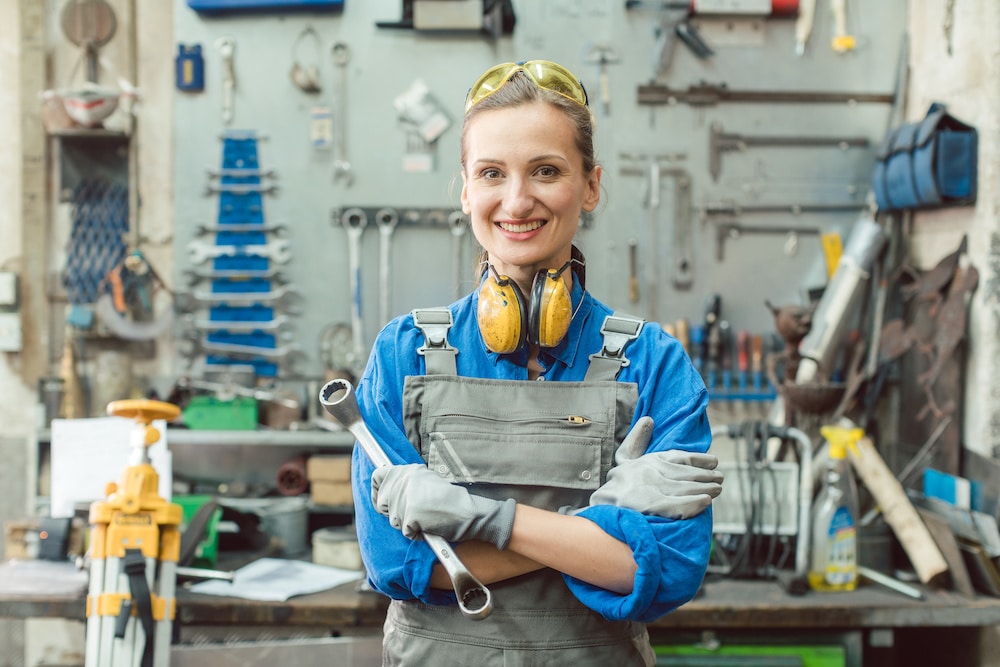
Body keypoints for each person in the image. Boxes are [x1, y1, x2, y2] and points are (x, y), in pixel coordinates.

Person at [351, 60, 723, 666]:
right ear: (466, 189)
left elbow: (669, 571)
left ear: (592, 185)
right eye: (492, 173)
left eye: (546, 171)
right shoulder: (404, 354)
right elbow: (400, 565)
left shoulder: (652, 362)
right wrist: (604, 517)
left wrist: (473, 519)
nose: (516, 200)